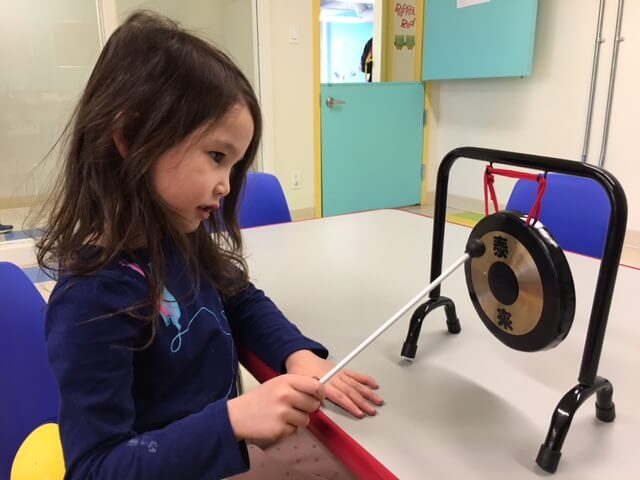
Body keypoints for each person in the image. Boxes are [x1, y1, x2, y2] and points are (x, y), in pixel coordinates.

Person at [39, 11, 383, 480]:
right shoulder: (90, 301)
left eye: (234, 166)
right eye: (217, 157)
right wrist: (233, 422)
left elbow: (240, 298)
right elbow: (96, 468)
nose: (225, 185)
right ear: (131, 136)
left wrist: (295, 352)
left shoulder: (178, 239)